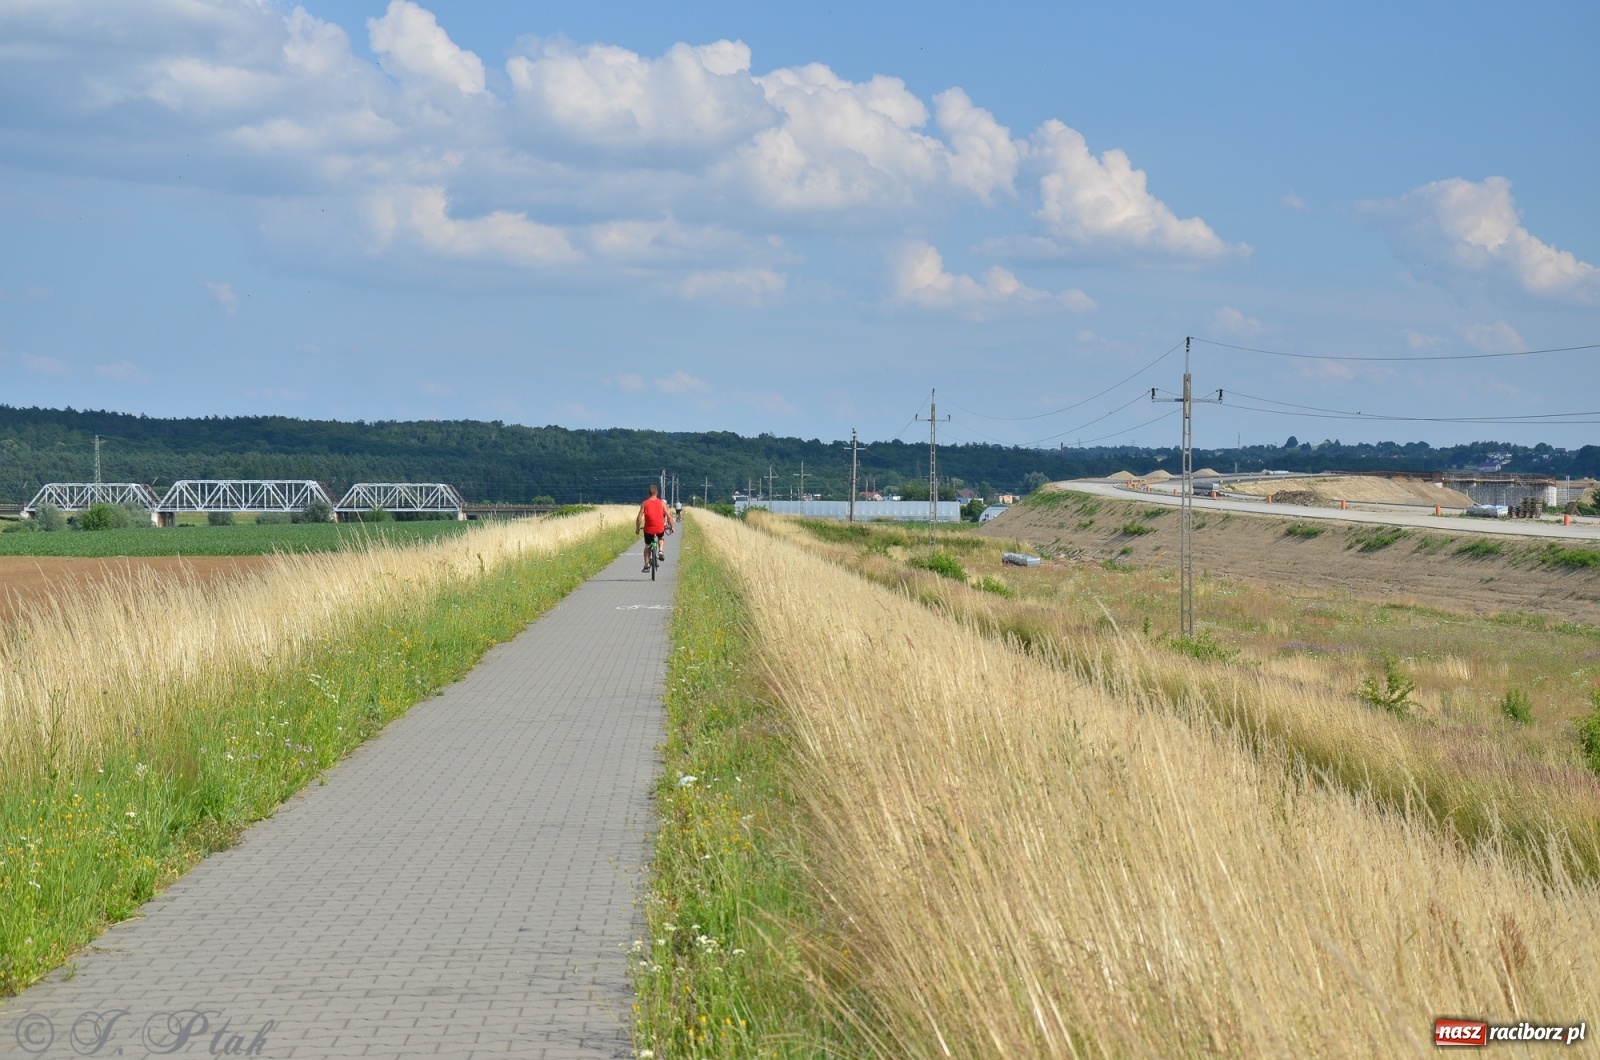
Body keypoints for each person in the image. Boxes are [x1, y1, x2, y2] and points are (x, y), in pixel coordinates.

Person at [636, 484, 675, 571]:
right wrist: (672, 527)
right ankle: (660, 550)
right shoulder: (662, 503)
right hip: (659, 528)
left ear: (648, 494)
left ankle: (646, 566)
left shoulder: (644, 503)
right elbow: (669, 516)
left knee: (647, 546)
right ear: (657, 493)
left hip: (648, 530)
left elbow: (639, 518)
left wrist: (637, 528)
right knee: (661, 537)